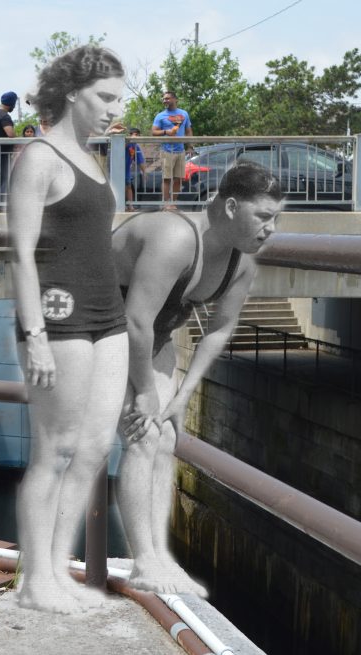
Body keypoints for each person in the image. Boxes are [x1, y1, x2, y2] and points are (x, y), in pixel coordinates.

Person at [112, 161, 283, 594]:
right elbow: (134, 319)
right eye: (263, 217)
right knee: (143, 435)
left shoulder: (240, 265)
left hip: (152, 335)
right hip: (93, 328)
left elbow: (220, 328)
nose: (271, 229)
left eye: (276, 219)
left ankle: (158, 555)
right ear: (230, 207)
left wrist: (183, 394)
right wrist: (147, 392)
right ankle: (144, 562)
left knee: (166, 435)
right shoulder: (175, 238)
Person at [8, 45, 128, 614]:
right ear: (74, 94)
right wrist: (34, 335)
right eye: (105, 98)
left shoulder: (93, 157)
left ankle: (57, 571)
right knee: (54, 450)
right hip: (60, 320)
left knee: (95, 449)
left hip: (109, 317)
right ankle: (35, 583)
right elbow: (21, 254)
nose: (114, 110)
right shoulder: (39, 156)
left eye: (118, 100)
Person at [151, 91, 193, 209]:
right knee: (166, 178)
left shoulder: (184, 114)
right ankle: (166, 203)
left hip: (180, 150)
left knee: (178, 179)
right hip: (166, 150)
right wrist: (166, 132)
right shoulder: (160, 115)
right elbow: (153, 132)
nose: (165, 101)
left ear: (175, 99)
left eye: (168, 98)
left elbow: (188, 131)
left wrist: (190, 146)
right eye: (164, 99)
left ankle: (173, 203)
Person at [0, 91, 17, 209]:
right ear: (11, 103)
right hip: (2, 153)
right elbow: (10, 134)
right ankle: (1, 204)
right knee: (5, 177)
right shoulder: (4, 116)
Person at [125, 127, 146, 211]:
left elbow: (140, 160)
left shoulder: (136, 146)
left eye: (138, 135)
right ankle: (121, 206)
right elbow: (122, 146)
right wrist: (129, 140)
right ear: (130, 135)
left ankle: (130, 207)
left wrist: (144, 172)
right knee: (123, 187)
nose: (136, 137)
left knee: (129, 186)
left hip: (127, 170)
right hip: (118, 169)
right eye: (135, 135)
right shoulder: (126, 142)